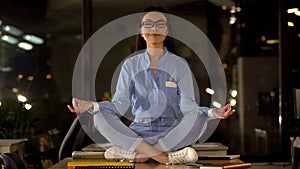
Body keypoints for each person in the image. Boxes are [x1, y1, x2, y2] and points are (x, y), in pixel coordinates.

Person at [68, 6, 235, 165]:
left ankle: (138, 156)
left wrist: (213, 112)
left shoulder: (180, 64)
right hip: (136, 135)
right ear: (141, 30)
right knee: (99, 116)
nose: (154, 28)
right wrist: (93, 105)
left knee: (199, 116)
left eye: (160, 24)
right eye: (148, 24)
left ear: (167, 30)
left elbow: (188, 106)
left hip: (170, 136)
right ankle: (165, 158)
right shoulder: (130, 65)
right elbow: (119, 105)